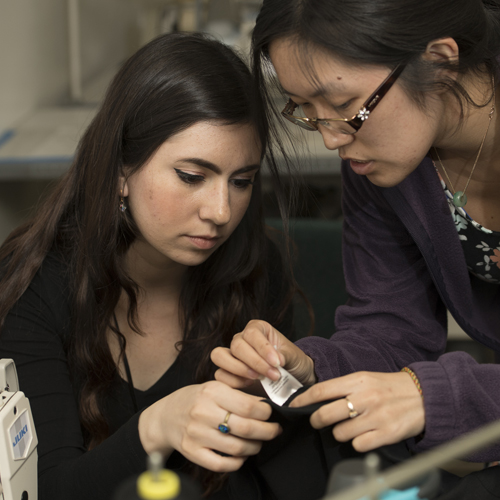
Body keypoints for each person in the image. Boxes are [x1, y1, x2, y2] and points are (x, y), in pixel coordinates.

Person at [211, 0, 500, 484]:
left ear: (439, 62)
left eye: (346, 107)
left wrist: (438, 397)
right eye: (306, 111)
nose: (331, 139)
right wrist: (310, 366)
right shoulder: (381, 161)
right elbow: (391, 330)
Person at [0, 32, 298, 500]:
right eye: (192, 177)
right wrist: (157, 426)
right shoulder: (35, 288)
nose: (221, 211)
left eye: (241, 181)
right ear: (121, 170)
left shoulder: (254, 267)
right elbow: (45, 490)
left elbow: (286, 468)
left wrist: (285, 387)